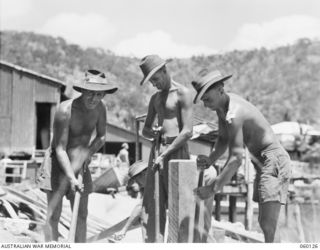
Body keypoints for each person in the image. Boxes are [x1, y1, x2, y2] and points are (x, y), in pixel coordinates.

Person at [192, 69, 292, 243]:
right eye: (203, 101)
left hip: (273, 159)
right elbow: (223, 138)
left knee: (269, 225)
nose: (205, 105)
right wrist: (211, 159)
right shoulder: (222, 109)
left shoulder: (234, 113)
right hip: (260, 164)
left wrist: (213, 188)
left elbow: (236, 158)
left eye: (207, 99)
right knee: (263, 222)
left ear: (220, 90)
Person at [139, 55, 215, 243]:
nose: (154, 84)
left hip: (177, 153)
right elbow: (145, 130)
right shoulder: (155, 99)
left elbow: (187, 132)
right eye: (151, 82)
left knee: (180, 204)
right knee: (153, 205)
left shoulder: (183, 93)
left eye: (155, 79)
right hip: (157, 153)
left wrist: (165, 152)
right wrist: (153, 132)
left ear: (164, 71)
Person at [37, 69, 117, 242]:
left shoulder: (100, 108)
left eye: (100, 94)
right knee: (54, 216)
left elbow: (102, 137)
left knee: (81, 215)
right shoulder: (65, 110)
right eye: (91, 94)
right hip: (57, 163)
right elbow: (60, 149)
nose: (95, 99)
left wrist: (88, 153)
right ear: (82, 91)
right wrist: (72, 178)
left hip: (81, 162)